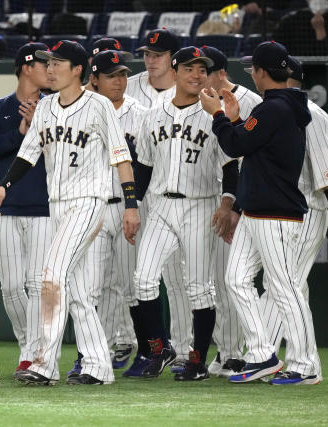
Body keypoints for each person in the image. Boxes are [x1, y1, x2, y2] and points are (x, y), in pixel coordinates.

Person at [0, 40, 140, 386]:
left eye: (59, 63)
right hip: (57, 205)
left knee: (51, 276)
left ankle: (44, 363)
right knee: (81, 292)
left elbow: (121, 158)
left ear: (78, 69)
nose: (51, 68)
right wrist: (4, 186)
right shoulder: (44, 108)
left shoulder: (100, 105)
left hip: (88, 202)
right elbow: (28, 154)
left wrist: (131, 206)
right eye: (49, 62)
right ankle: (98, 366)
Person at [199, 41, 317, 384]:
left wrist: (218, 115)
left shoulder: (274, 109)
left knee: (286, 288)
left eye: (255, 69)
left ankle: (306, 363)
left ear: (262, 72)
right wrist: (235, 118)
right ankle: (262, 354)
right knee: (236, 279)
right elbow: (250, 144)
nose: (253, 74)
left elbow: (235, 146)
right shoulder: (279, 107)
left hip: (276, 212)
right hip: (257, 210)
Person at [133, 46, 238, 381]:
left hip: (200, 204)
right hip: (160, 205)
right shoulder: (154, 114)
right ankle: (159, 347)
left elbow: (230, 165)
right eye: (190, 69)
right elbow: (143, 168)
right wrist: (131, 205)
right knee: (143, 280)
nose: (197, 75)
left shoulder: (214, 114)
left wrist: (227, 202)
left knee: (198, 287)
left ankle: (196, 360)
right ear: (175, 73)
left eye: (202, 70)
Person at [0, 42, 52, 374]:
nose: (50, 70)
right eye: (43, 64)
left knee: (37, 283)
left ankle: (34, 353)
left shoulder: (56, 107)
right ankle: (28, 343)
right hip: (6, 206)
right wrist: (21, 131)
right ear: (26, 67)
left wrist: (39, 128)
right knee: (10, 287)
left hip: (44, 206)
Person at [257, 55, 328, 384]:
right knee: (291, 287)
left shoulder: (311, 116)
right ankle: (287, 360)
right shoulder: (282, 112)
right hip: (289, 209)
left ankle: (270, 358)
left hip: (309, 209)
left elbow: (327, 175)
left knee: (281, 286)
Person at [125, 27, 194, 375]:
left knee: (182, 278)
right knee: (140, 278)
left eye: (158, 55)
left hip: (185, 195)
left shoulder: (190, 87)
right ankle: (149, 345)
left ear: (174, 58)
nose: (150, 60)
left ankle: (183, 349)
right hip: (146, 192)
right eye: (147, 54)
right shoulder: (132, 83)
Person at [84, 50, 148, 374]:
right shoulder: (82, 109)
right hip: (93, 207)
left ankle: (147, 347)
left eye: (123, 74)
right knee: (94, 286)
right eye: (111, 75)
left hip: (127, 206)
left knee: (132, 283)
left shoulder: (140, 112)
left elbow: (146, 164)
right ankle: (97, 352)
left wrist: (135, 205)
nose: (120, 81)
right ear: (94, 79)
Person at [201, 45, 262, 378]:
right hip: (207, 200)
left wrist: (234, 204)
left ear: (221, 73)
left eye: (204, 70)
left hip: (237, 202)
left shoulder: (251, 102)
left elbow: (244, 158)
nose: (197, 76)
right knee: (213, 282)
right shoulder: (200, 102)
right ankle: (227, 350)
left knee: (233, 280)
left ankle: (238, 352)